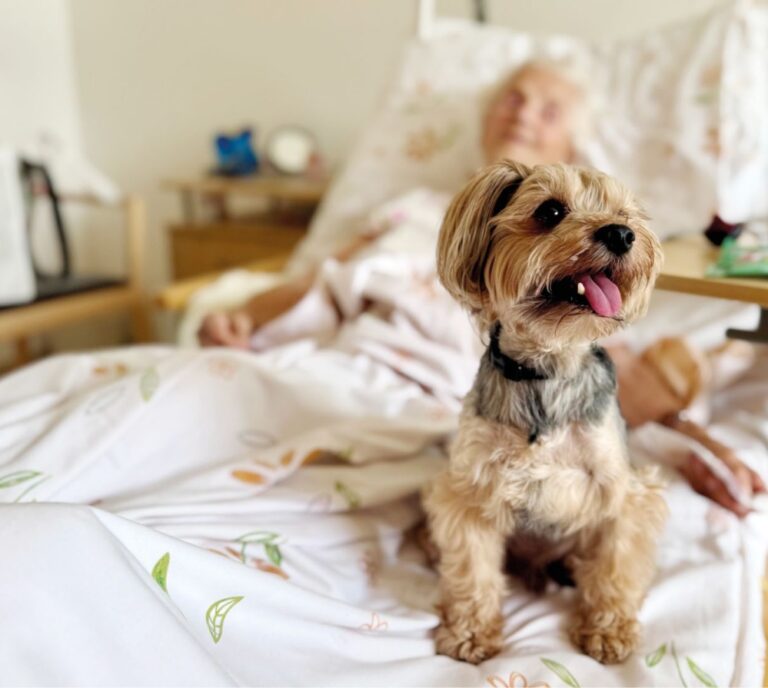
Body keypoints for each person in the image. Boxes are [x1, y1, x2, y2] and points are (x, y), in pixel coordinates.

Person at [197, 60, 765, 515]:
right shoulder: (409, 210)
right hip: (337, 372)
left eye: (549, 110)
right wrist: (243, 316)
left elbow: (607, 373)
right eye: (512, 98)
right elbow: (313, 285)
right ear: (487, 120)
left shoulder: (579, 273)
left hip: (449, 411)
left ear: (571, 146)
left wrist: (697, 443)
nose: (524, 113)